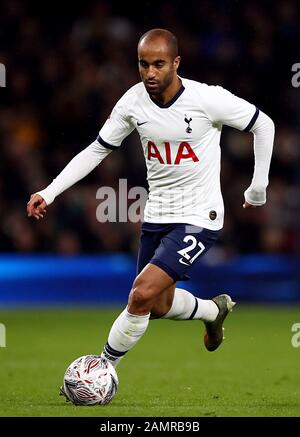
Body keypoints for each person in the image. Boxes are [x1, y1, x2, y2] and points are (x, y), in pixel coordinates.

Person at [27, 29, 274, 368]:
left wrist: (257, 187)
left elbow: (264, 125)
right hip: (158, 213)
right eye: (143, 65)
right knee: (156, 306)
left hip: (200, 216)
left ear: (176, 63)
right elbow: (97, 149)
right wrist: (49, 191)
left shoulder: (207, 99)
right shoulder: (133, 102)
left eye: (159, 64)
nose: (150, 73)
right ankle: (212, 310)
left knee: (140, 294)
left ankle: (100, 369)